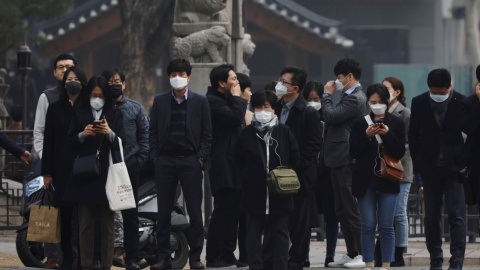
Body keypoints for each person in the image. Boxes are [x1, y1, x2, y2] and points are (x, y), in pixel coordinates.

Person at [149, 59, 211, 270]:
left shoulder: (200, 101)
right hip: (165, 161)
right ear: (169, 77)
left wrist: (200, 157)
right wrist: (156, 157)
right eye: (174, 74)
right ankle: (163, 257)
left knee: (195, 212)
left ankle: (195, 258)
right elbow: (153, 131)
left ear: (189, 76)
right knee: (163, 213)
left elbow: (207, 134)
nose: (178, 77)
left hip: (191, 160)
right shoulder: (159, 101)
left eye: (182, 73)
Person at [235, 90, 300, 270]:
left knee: (280, 232)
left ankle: (279, 265)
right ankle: (255, 265)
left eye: (266, 107)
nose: (262, 111)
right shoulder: (246, 133)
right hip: (253, 192)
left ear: (273, 109)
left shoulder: (284, 132)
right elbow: (238, 160)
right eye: (258, 107)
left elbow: (295, 158)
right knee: (253, 232)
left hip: (280, 192)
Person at [409, 68, 466, 270]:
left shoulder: (462, 102)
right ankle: (436, 259)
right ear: (429, 88)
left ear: (450, 87)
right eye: (435, 92)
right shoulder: (419, 102)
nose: (439, 96)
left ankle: (457, 259)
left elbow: (473, 131)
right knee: (431, 217)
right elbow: (413, 136)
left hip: (454, 169)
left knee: (456, 216)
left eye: (442, 93)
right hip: (429, 168)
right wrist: (419, 168)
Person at [65, 75, 124, 270]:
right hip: (84, 174)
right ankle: (86, 264)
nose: (97, 98)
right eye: (93, 95)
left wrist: (109, 133)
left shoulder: (114, 114)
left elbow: (121, 144)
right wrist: (84, 134)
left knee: (108, 225)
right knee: (85, 225)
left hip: (107, 175)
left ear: (106, 97)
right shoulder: (78, 112)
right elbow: (70, 142)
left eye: (100, 95)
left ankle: (106, 265)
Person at [349, 83, 405, 270]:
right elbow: (353, 152)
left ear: (387, 101)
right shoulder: (359, 123)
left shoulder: (396, 122)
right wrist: (366, 135)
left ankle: (387, 265)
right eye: (373, 102)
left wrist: (387, 134)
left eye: (380, 102)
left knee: (387, 225)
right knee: (368, 225)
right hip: (365, 180)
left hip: (388, 178)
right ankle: (369, 264)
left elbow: (398, 153)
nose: (377, 105)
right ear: (368, 102)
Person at [273, 66, 322, 270]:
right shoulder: (275, 107)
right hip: (277, 174)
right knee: (280, 219)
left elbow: (314, 144)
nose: (280, 85)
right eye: (280, 80)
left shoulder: (307, 112)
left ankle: (298, 259)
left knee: (299, 221)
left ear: (295, 88)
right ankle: (280, 256)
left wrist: (297, 164)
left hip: (299, 174)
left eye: (284, 82)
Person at [322, 58, 368, 268]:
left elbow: (330, 116)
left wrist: (326, 95)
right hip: (337, 158)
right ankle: (351, 252)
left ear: (350, 77)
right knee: (341, 209)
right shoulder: (348, 95)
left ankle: (362, 253)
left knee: (350, 209)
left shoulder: (355, 98)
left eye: (339, 78)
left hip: (346, 159)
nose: (336, 82)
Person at [102, 68, 149, 270]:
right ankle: (103, 256)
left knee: (130, 214)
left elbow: (145, 138)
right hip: (103, 167)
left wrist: (138, 161)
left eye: (117, 81)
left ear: (124, 84)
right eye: (110, 82)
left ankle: (132, 257)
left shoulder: (135, 108)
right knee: (103, 212)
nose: (114, 85)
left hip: (129, 166)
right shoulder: (99, 108)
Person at [33, 53, 76, 269]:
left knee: (74, 212)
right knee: (49, 210)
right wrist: (45, 160)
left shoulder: (83, 96)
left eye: (69, 67)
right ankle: (51, 256)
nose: (65, 70)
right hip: (51, 165)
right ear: (54, 72)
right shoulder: (46, 97)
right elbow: (39, 132)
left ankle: (74, 255)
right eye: (61, 67)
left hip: (76, 166)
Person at [42, 66, 87, 270]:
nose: (73, 82)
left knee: (84, 215)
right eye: (69, 78)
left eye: (77, 78)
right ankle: (68, 256)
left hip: (85, 169)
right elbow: (48, 142)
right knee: (66, 216)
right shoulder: (55, 108)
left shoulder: (88, 108)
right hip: (61, 169)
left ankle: (83, 255)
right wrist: (47, 173)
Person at [205, 64, 246, 268]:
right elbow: (235, 118)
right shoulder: (212, 101)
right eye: (233, 79)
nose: (236, 82)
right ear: (222, 83)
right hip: (222, 163)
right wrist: (239, 98)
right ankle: (213, 256)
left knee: (234, 211)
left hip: (235, 163)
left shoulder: (226, 99)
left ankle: (228, 254)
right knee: (222, 211)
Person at [374, 77, 413, 267]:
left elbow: (407, 144)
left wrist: (389, 148)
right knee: (385, 213)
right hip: (381, 169)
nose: (382, 91)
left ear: (397, 92)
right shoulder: (377, 112)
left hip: (400, 169)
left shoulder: (404, 113)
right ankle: (382, 251)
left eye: (386, 88)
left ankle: (399, 252)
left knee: (399, 213)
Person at [303, 81, 340, 268]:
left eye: (316, 99)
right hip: (309, 170)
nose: (312, 103)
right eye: (309, 99)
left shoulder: (330, 116)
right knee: (307, 215)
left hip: (328, 170)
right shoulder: (301, 117)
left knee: (331, 216)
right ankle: (304, 255)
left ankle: (330, 255)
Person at [235, 72, 253, 267]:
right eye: (247, 89)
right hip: (235, 171)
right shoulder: (236, 113)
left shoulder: (250, 115)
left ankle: (248, 254)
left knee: (248, 217)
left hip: (250, 172)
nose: (250, 93)